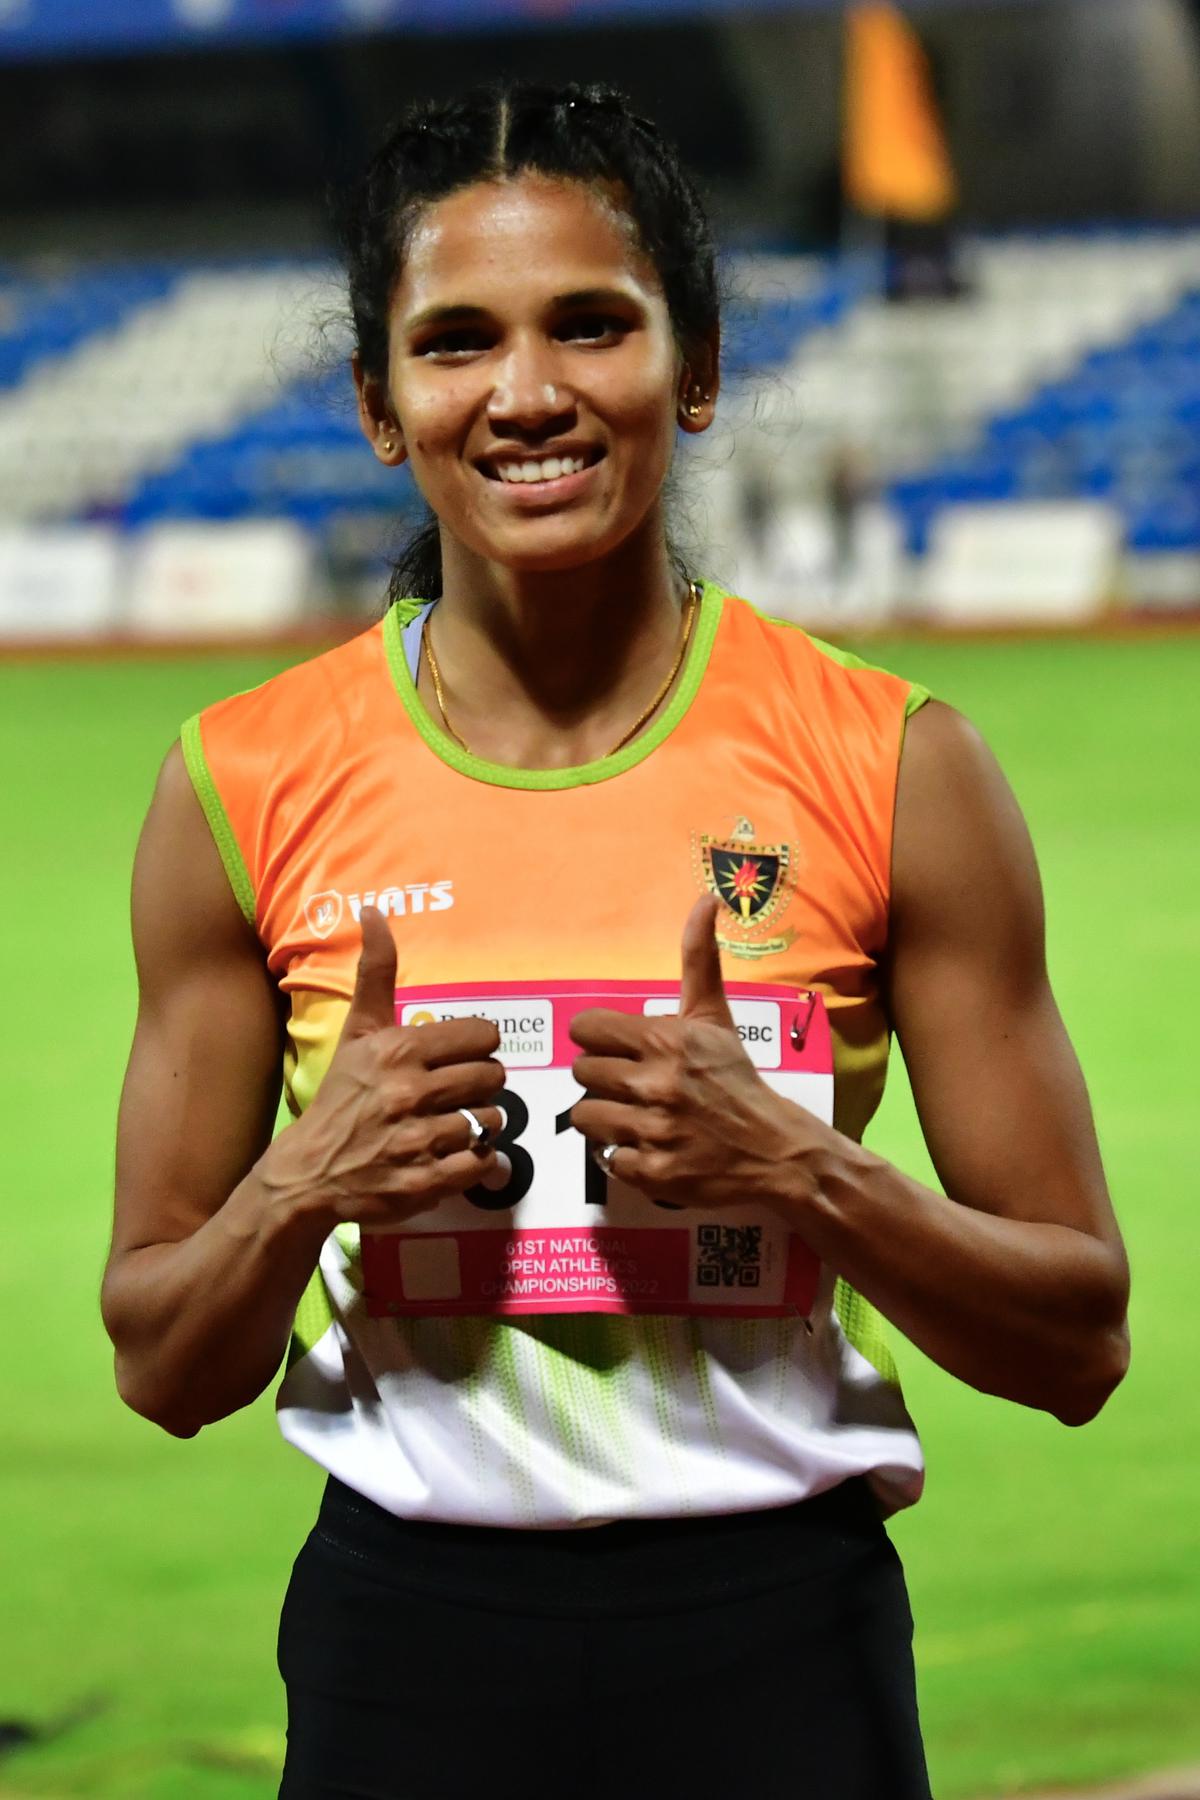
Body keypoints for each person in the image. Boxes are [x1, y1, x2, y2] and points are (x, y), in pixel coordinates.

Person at [102, 82, 1130, 1800]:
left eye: (594, 323)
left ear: (697, 367)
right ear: (379, 403)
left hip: (779, 1635)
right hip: (405, 1645)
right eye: (456, 342)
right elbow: (161, 1365)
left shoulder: (893, 764)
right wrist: (303, 1185)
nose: (527, 393)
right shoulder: (241, 780)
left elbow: (1079, 1341)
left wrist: (800, 1172)